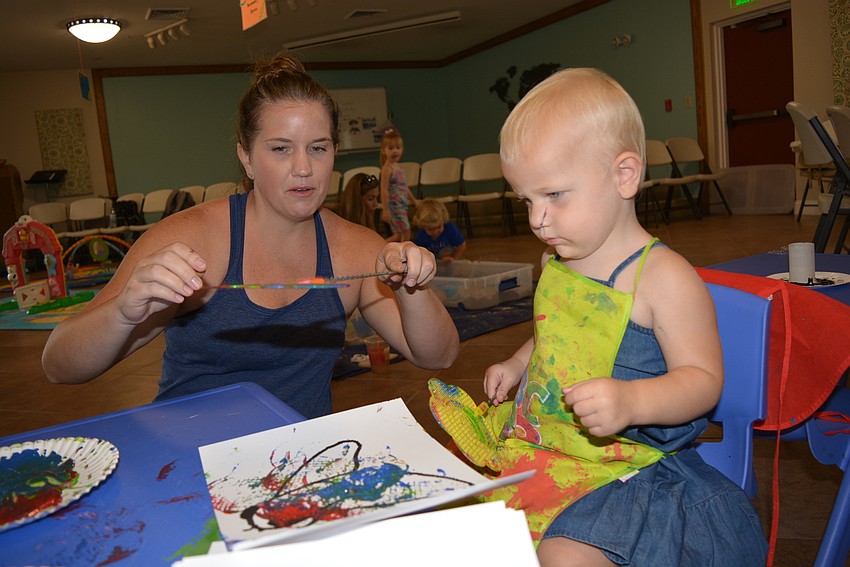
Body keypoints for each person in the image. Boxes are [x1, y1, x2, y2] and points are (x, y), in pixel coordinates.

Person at [429, 68, 767, 566]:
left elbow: (703, 382)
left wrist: (632, 400)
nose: (537, 219)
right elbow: (556, 332)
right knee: (464, 532)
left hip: (631, 467)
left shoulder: (663, 277)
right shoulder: (556, 260)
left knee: (565, 556)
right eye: (527, 200)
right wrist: (519, 364)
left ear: (624, 175)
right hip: (550, 447)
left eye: (555, 195)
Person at [41, 54, 459, 420]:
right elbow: (59, 366)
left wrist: (411, 284)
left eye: (318, 148)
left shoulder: (356, 249)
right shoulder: (194, 238)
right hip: (191, 465)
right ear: (246, 155)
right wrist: (123, 316)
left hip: (299, 468)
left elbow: (437, 356)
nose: (303, 168)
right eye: (280, 149)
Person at [379, 129, 417, 242]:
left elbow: (404, 187)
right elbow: (383, 189)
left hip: (402, 205)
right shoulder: (387, 169)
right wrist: (385, 209)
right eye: (390, 148)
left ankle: (380, 247)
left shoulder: (398, 167)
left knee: (399, 235)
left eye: (398, 148)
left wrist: (414, 200)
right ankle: (403, 255)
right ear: (383, 151)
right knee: (406, 231)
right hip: (394, 206)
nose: (395, 151)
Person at [412, 199, 466, 263]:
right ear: (423, 227)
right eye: (430, 229)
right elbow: (419, 252)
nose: (435, 232)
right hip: (433, 259)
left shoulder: (450, 228)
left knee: (446, 252)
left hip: (450, 257)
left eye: (439, 227)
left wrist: (454, 258)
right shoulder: (421, 235)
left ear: (443, 221)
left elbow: (461, 245)